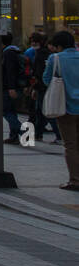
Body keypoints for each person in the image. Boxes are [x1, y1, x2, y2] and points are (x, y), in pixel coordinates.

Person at [42, 31, 79, 189]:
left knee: (70, 145)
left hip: (66, 108)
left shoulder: (55, 58)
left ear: (59, 46)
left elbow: (46, 79)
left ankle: (75, 180)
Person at [26, 31, 62, 144]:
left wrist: (35, 86)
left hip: (43, 87)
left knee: (46, 111)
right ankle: (38, 134)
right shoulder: (44, 53)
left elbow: (40, 73)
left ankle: (58, 135)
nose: (33, 43)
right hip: (44, 86)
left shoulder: (41, 54)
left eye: (34, 41)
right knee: (40, 111)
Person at [2, 33, 27, 146]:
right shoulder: (14, 51)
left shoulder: (8, 53)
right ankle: (13, 136)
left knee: (6, 111)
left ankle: (23, 131)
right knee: (11, 111)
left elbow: (10, 71)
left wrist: (11, 87)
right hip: (14, 86)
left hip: (9, 87)